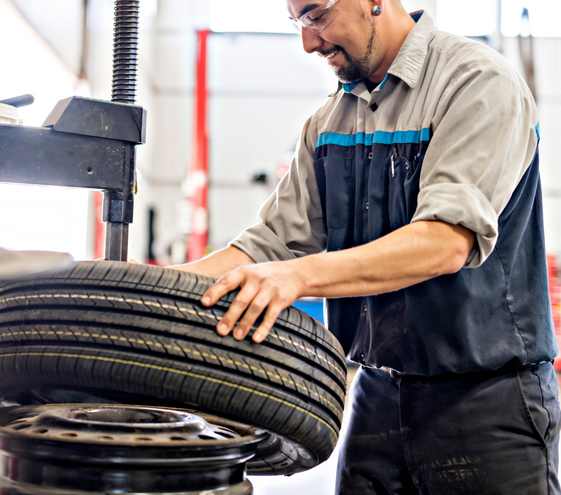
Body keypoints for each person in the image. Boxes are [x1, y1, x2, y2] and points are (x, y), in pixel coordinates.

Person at [172, 0, 560, 493]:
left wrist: (301, 275)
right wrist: (145, 293)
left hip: (486, 399)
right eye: (297, 23)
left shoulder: (476, 83)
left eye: (315, 16)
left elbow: (443, 242)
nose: (309, 43)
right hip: (375, 393)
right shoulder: (329, 123)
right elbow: (269, 245)